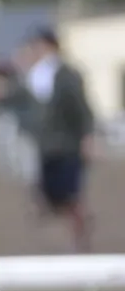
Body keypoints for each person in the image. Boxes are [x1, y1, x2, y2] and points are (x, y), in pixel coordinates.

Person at [15, 26, 95, 251]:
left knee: (69, 193)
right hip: (46, 146)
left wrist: (87, 136)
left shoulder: (66, 74)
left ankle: (79, 234)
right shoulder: (35, 75)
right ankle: (74, 225)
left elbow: (81, 107)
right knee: (51, 193)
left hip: (66, 145)